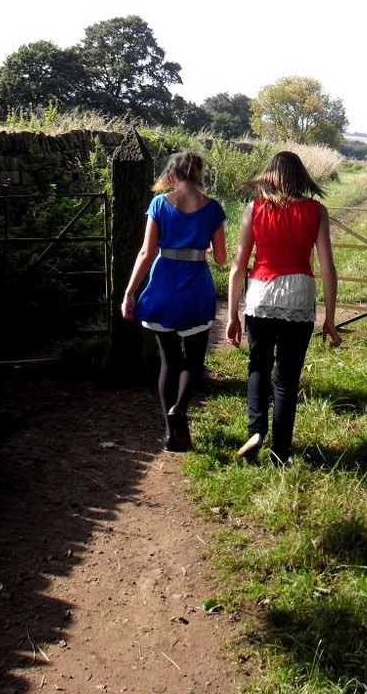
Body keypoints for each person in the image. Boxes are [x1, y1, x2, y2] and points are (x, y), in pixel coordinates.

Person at [226, 150, 341, 465]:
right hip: (299, 296)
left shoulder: (254, 209)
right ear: (301, 177)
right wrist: (330, 319)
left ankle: (255, 430)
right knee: (287, 379)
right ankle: (280, 452)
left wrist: (232, 315)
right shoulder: (316, 211)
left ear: (269, 176)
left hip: (261, 293)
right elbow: (328, 269)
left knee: (258, 366)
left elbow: (238, 266)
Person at [121, 150, 226, 452]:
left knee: (168, 361)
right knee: (193, 361)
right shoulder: (214, 209)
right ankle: (179, 409)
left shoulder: (159, 204)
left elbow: (146, 252)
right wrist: (202, 250)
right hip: (196, 289)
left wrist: (130, 293)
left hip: (163, 286)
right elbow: (220, 259)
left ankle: (171, 434)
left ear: (172, 174)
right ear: (199, 174)